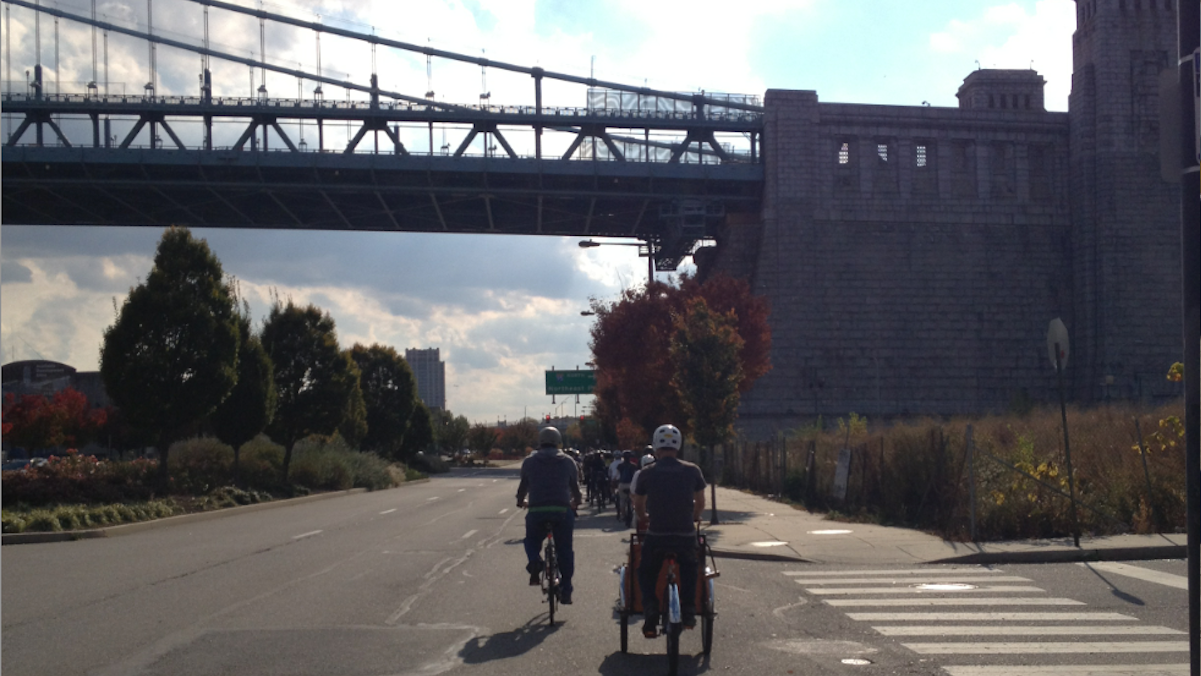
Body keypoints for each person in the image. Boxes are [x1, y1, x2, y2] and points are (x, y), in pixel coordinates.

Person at [632, 424, 706, 637]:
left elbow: (638, 503)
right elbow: (700, 502)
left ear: (656, 446)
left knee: (645, 572)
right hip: (684, 535)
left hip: (657, 535)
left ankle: (651, 609)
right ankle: (690, 610)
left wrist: (644, 516)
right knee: (691, 567)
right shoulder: (693, 470)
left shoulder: (647, 473)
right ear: (678, 445)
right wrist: (694, 516)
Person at [516, 427, 582, 604]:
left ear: (540, 442)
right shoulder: (568, 461)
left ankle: (534, 560)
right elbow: (575, 487)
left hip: (537, 510)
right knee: (565, 550)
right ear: (558, 441)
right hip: (561, 511)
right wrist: (576, 501)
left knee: (531, 540)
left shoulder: (529, 462)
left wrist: (520, 500)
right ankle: (566, 589)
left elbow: (523, 485)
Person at [614, 450, 639, 526]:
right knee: (634, 499)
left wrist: (614, 481)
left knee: (622, 500)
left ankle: (623, 515)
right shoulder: (634, 465)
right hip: (631, 484)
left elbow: (617, 475)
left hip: (622, 484)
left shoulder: (620, 466)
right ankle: (633, 511)